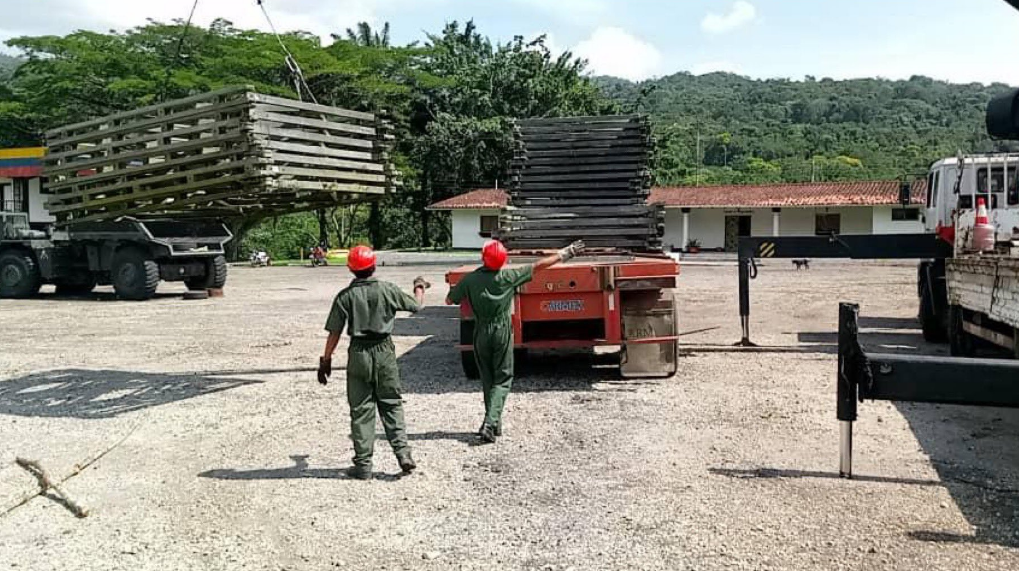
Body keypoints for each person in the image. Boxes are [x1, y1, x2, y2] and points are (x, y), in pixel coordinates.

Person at [446, 239, 584, 443]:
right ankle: (491, 423)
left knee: (488, 379)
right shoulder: (508, 276)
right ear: (503, 260)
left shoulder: (470, 279)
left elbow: (450, 300)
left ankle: (493, 424)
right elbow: (538, 266)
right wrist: (567, 252)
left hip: (480, 331)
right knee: (503, 379)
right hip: (501, 330)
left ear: (483, 258)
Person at [317, 245, 431, 480]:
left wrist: (325, 360)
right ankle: (403, 455)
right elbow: (416, 305)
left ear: (351, 269)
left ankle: (363, 466)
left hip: (358, 353)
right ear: (374, 266)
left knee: (361, 410)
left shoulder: (345, 296)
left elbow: (334, 333)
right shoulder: (387, 290)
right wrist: (419, 286)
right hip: (384, 351)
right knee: (391, 404)